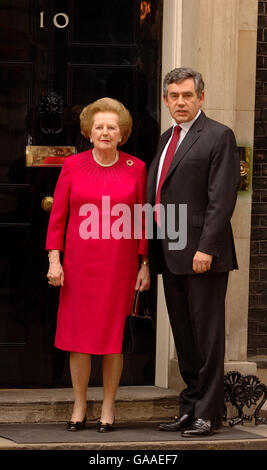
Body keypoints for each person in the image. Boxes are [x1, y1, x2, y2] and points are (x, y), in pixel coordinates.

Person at [46, 97, 150, 432]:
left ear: (122, 134)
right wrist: (54, 261)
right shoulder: (72, 166)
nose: (105, 132)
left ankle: (108, 407)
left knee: (111, 339)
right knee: (78, 339)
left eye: (112, 127)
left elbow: (142, 220)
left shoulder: (137, 167)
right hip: (78, 267)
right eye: (99, 126)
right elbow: (58, 219)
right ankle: (79, 406)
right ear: (89, 132)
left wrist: (144, 264)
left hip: (118, 268)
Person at [147, 67, 240, 436]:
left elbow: (222, 199)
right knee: (185, 337)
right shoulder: (166, 137)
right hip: (170, 254)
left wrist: (206, 248)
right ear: (166, 100)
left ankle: (209, 413)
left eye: (187, 95)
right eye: (174, 96)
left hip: (203, 256)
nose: (180, 102)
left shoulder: (219, 135)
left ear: (201, 97)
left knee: (207, 337)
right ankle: (190, 408)